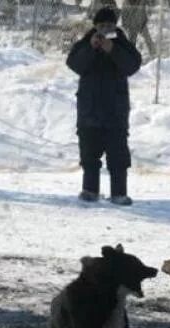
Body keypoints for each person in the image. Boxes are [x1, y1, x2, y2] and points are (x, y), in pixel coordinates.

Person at [66, 7, 141, 206]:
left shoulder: (121, 43)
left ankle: (119, 193)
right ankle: (90, 190)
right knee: (89, 155)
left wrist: (113, 50)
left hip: (115, 111)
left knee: (118, 156)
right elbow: (74, 63)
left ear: (115, 26)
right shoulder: (87, 42)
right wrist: (91, 48)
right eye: (101, 25)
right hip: (89, 111)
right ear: (95, 26)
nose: (105, 29)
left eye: (109, 25)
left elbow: (133, 65)